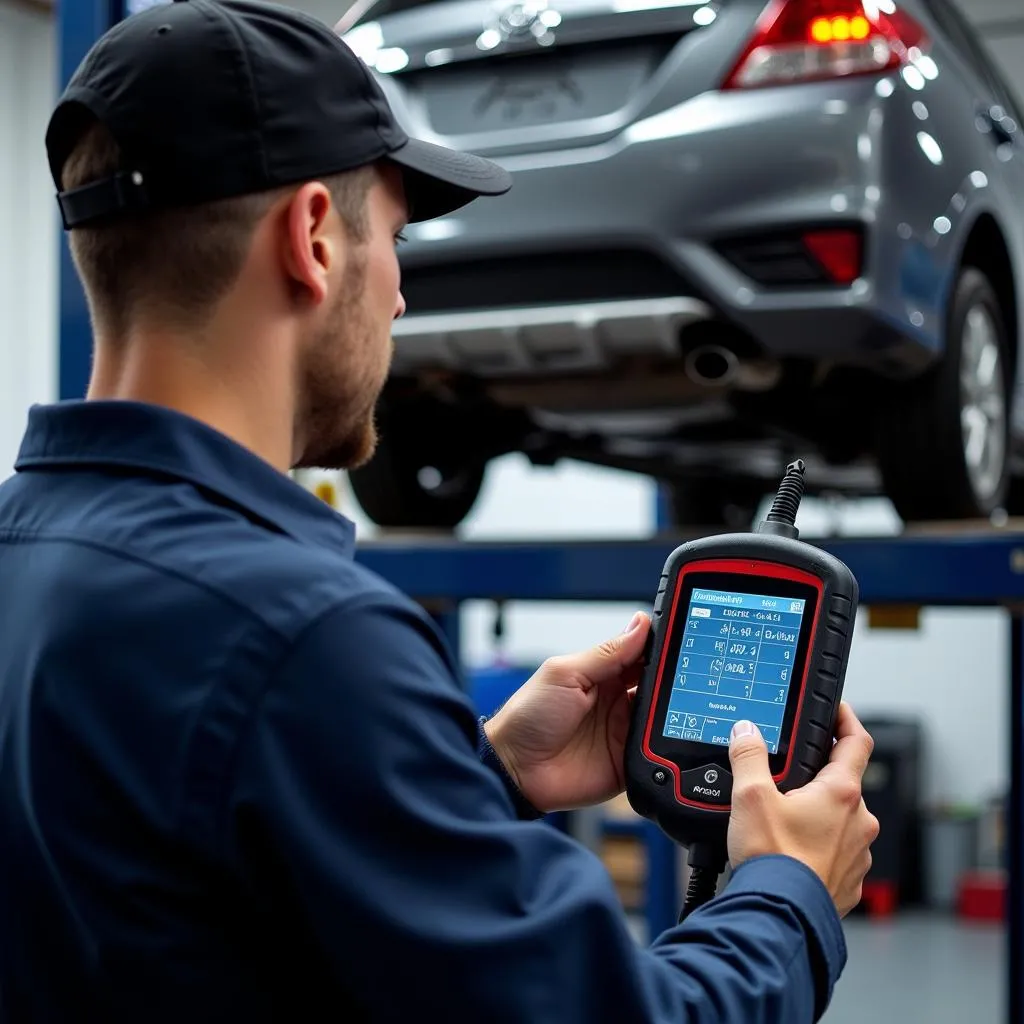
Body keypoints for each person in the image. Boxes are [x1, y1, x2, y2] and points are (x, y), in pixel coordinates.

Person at [0, 1, 879, 1021]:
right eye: (399, 237)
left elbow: (197, 893)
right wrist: (788, 889)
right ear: (314, 238)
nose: (402, 297)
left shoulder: (31, 559)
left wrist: (480, 776)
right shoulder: (304, 638)